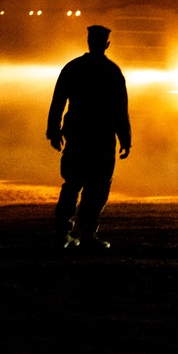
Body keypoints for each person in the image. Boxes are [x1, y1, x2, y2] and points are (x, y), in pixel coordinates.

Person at [47, 24, 132, 249]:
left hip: (77, 134)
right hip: (102, 137)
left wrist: (53, 132)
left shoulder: (73, 68)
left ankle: (62, 234)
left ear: (88, 42)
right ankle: (87, 234)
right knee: (98, 187)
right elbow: (120, 109)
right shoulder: (112, 71)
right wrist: (125, 139)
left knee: (72, 184)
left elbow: (58, 102)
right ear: (107, 44)